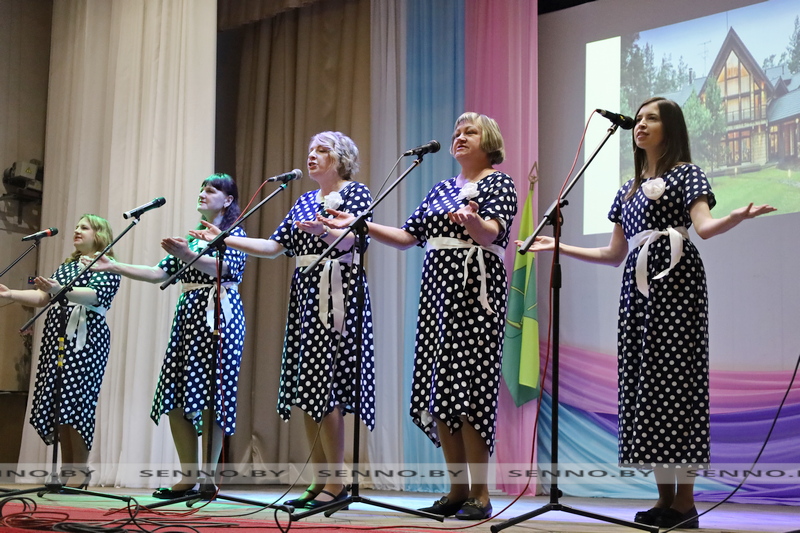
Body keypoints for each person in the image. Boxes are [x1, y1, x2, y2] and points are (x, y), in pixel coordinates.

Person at [519, 97, 776, 529]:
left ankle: (685, 503)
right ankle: (663, 499)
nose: (640, 124)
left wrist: (734, 217)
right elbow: (613, 253)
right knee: (646, 387)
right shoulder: (628, 188)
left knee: (678, 385)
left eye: (651, 118)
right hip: (636, 292)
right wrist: (559, 245)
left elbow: (704, 227)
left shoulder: (687, 173)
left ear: (669, 128)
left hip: (677, 283)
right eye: (638, 118)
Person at [322, 113, 517, 520]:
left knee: (471, 394)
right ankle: (456, 490)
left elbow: (492, 233)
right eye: (456, 132)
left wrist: (474, 222)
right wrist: (360, 224)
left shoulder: (500, 183)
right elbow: (408, 237)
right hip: (437, 299)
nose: (460, 136)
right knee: (440, 391)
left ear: (489, 141)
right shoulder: (441, 188)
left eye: (470, 132)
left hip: (475, 297)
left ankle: (480, 494)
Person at [189, 132, 374, 510]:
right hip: (306, 295)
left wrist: (327, 232)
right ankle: (319, 479)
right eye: (310, 150)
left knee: (327, 389)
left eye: (322, 150)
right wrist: (224, 239)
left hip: (338, 293)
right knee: (307, 390)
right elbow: (274, 247)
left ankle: (336, 483)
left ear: (341, 158)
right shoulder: (305, 200)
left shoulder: (357, 193)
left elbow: (354, 242)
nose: (312, 156)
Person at [87, 174, 247, 498]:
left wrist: (187, 255)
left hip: (220, 316)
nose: (203, 194)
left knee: (212, 398)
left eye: (211, 190)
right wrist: (114, 266)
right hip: (188, 319)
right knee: (174, 394)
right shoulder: (194, 238)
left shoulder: (234, 234)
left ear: (228, 200)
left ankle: (208, 480)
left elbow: (224, 269)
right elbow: (159, 272)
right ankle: (188, 477)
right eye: (201, 189)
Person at [1, 215, 121, 489]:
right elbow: (44, 297)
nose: (77, 230)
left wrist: (61, 290)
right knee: (60, 402)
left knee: (78, 402)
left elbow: (94, 295)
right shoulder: (67, 266)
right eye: (76, 226)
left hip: (86, 339)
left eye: (84, 227)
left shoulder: (107, 265)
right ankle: (68, 469)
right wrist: (11, 294)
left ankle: (80, 470)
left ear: (99, 234)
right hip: (58, 338)